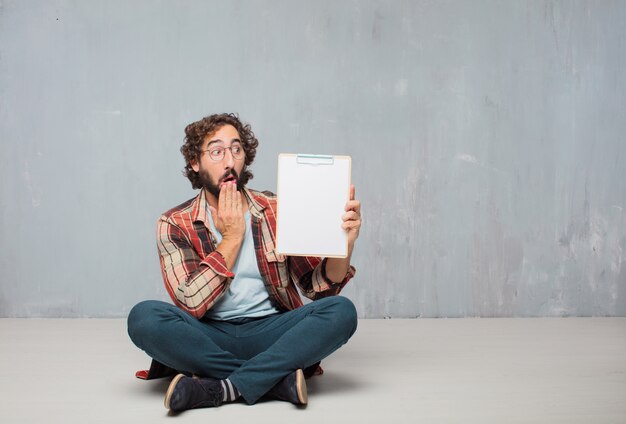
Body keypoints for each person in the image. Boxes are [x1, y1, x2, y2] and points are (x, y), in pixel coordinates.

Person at [127, 113, 362, 411]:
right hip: (209, 336)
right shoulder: (174, 222)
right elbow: (189, 302)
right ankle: (274, 380)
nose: (229, 160)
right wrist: (232, 237)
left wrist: (344, 245)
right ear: (195, 163)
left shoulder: (274, 208)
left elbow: (319, 290)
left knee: (341, 312)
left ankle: (223, 387)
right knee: (143, 318)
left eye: (236, 149)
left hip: (274, 332)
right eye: (217, 151)